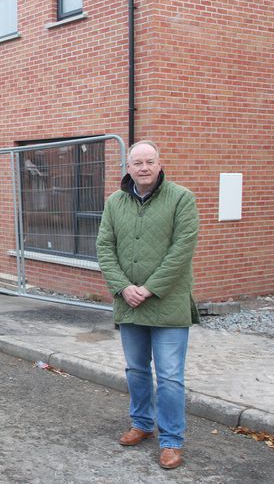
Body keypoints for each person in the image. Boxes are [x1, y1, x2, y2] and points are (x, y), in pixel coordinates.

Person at [96, 140, 199, 470]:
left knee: (169, 376)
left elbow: (181, 251)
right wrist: (123, 287)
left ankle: (171, 440)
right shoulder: (114, 202)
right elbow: (104, 248)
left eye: (149, 161)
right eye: (136, 162)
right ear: (127, 167)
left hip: (167, 304)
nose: (143, 167)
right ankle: (141, 423)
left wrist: (150, 288)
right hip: (129, 304)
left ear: (159, 164)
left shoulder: (181, 198)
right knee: (136, 370)